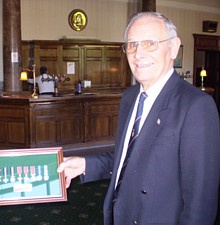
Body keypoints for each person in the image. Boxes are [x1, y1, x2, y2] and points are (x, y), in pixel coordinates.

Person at [57, 11, 220, 225]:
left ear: (173, 47)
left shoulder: (196, 106)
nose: (138, 53)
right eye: (132, 45)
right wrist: (86, 164)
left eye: (150, 43)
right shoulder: (130, 97)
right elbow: (129, 158)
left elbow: (200, 203)